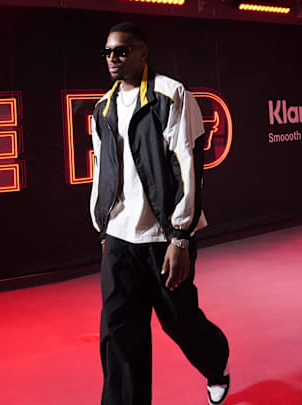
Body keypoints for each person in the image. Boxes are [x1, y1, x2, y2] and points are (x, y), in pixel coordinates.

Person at [89, 22, 231, 405]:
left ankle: (216, 365)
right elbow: (102, 172)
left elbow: (188, 166)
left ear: (142, 53)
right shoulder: (102, 109)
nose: (113, 59)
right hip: (119, 239)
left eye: (121, 51)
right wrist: (104, 229)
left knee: (181, 322)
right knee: (118, 334)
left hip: (164, 239)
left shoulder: (171, 95)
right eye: (107, 53)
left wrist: (180, 236)